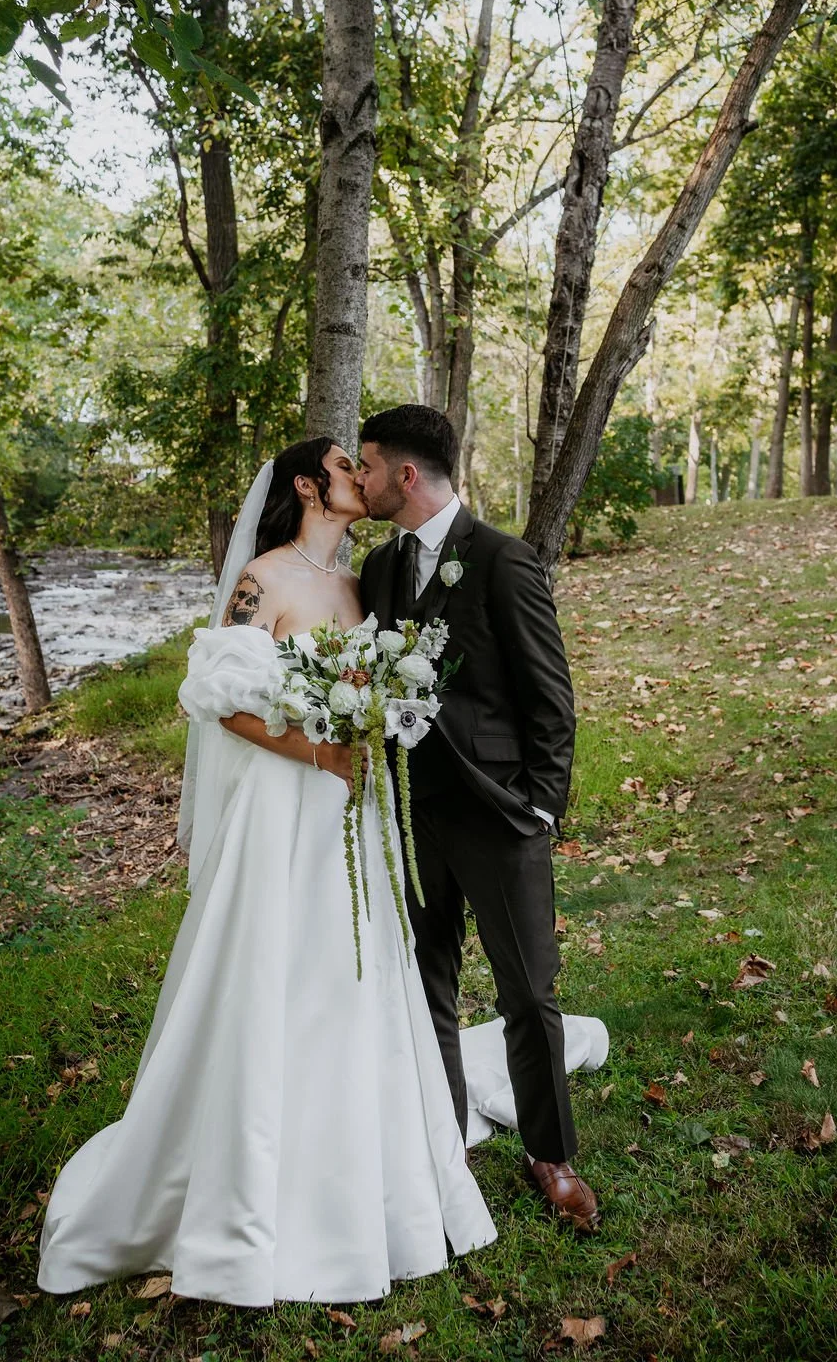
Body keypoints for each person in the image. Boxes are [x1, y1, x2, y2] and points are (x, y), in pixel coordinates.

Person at [36, 438, 497, 1306]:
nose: (358, 475)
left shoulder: (359, 586)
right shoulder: (263, 578)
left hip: (355, 822)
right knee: (274, 979)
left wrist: (378, 725)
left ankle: (358, 1176)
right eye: (341, 463)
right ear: (305, 485)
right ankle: (245, 1197)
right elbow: (219, 700)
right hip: (285, 815)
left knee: (349, 986)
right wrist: (317, 751)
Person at [356, 405, 601, 1233]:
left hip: (500, 814)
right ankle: (444, 1140)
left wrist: (541, 807)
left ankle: (551, 1153)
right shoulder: (381, 571)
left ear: (407, 475)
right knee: (428, 985)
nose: (361, 479)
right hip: (411, 813)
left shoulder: (502, 560)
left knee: (528, 991)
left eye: (369, 465)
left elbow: (551, 698)